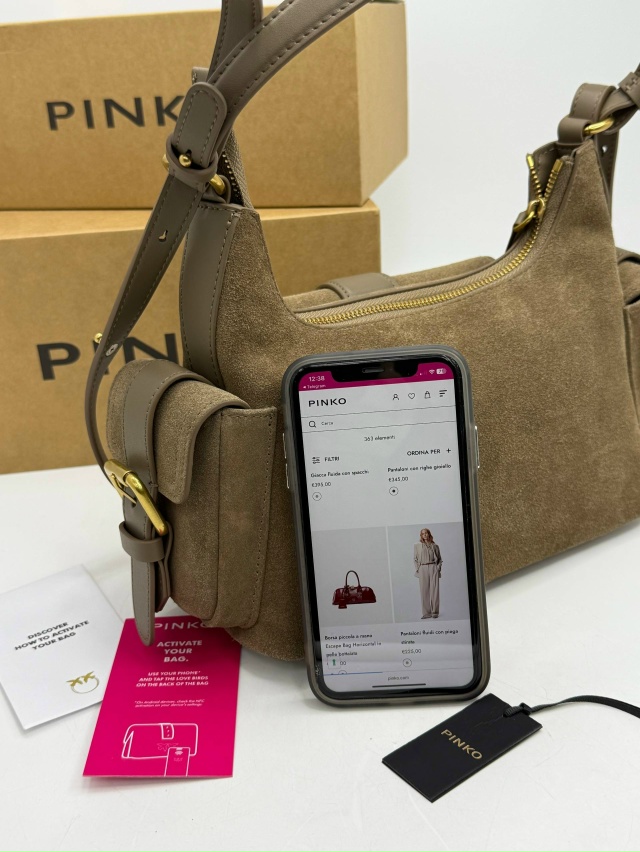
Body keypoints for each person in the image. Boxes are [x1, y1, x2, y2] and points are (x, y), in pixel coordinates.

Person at [413, 528, 442, 619]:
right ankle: (426, 613)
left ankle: (435, 612)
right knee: (424, 590)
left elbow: (439, 559)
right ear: (421, 535)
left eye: (426, 533)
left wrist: (438, 568)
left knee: (435, 590)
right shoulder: (417, 545)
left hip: (433, 567)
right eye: (423, 534)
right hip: (423, 568)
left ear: (429, 534)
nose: (424, 535)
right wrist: (418, 568)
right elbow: (415, 559)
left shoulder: (435, 546)